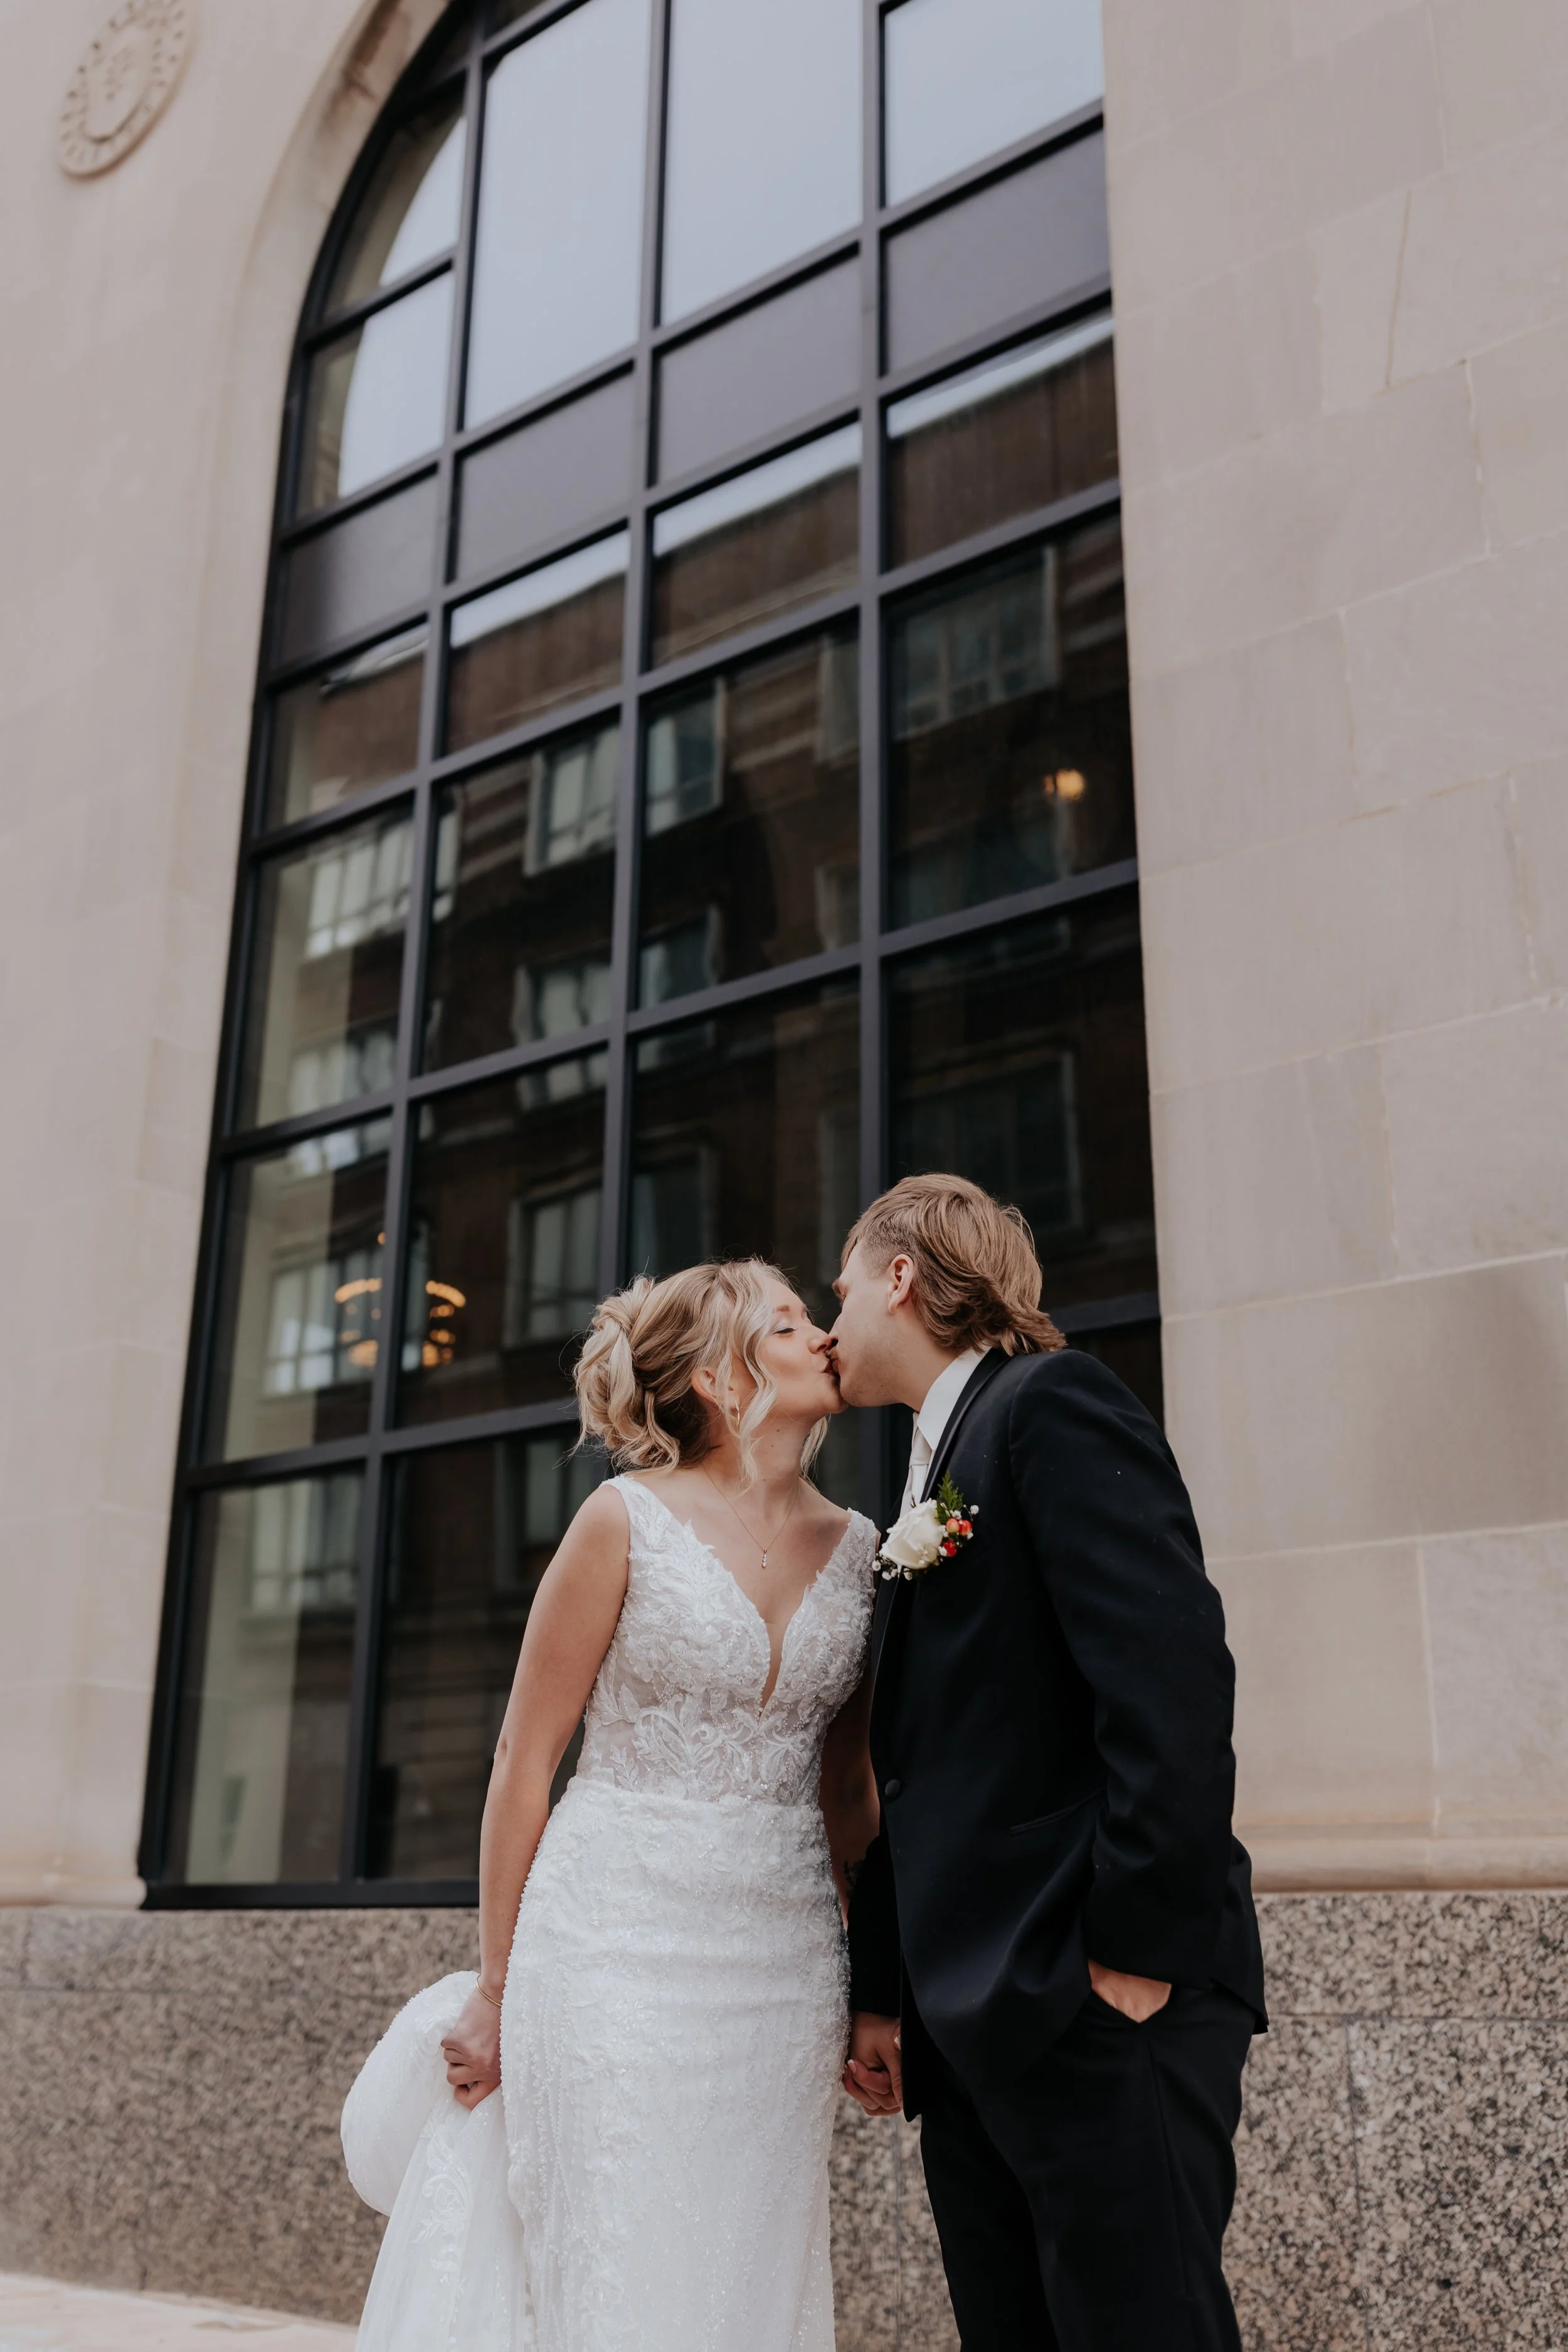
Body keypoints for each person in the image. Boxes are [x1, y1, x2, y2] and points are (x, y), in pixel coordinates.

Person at [344, 1261, 881, 2352]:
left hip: (781, 1968)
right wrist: (497, 1989)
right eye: (790, 1321)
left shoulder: (864, 1549)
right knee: (616, 2249)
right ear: (724, 1375)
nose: (823, 1334)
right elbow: (522, 1759)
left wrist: (876, 1984)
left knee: (749, 2253)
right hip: (610, 1944)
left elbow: (849, 1790)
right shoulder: (621, 1519)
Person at [829, 1174, 1266, 2352]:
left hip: (1095, 1994)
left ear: (901, 1277)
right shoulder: (931, 1463)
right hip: (976, 2025)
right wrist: (890, 1993)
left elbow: (1172, 1680)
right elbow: (921, 1773)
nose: (829, 1323)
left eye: (843, 1288)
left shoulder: (1051, 1404)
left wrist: (1131, 1950)